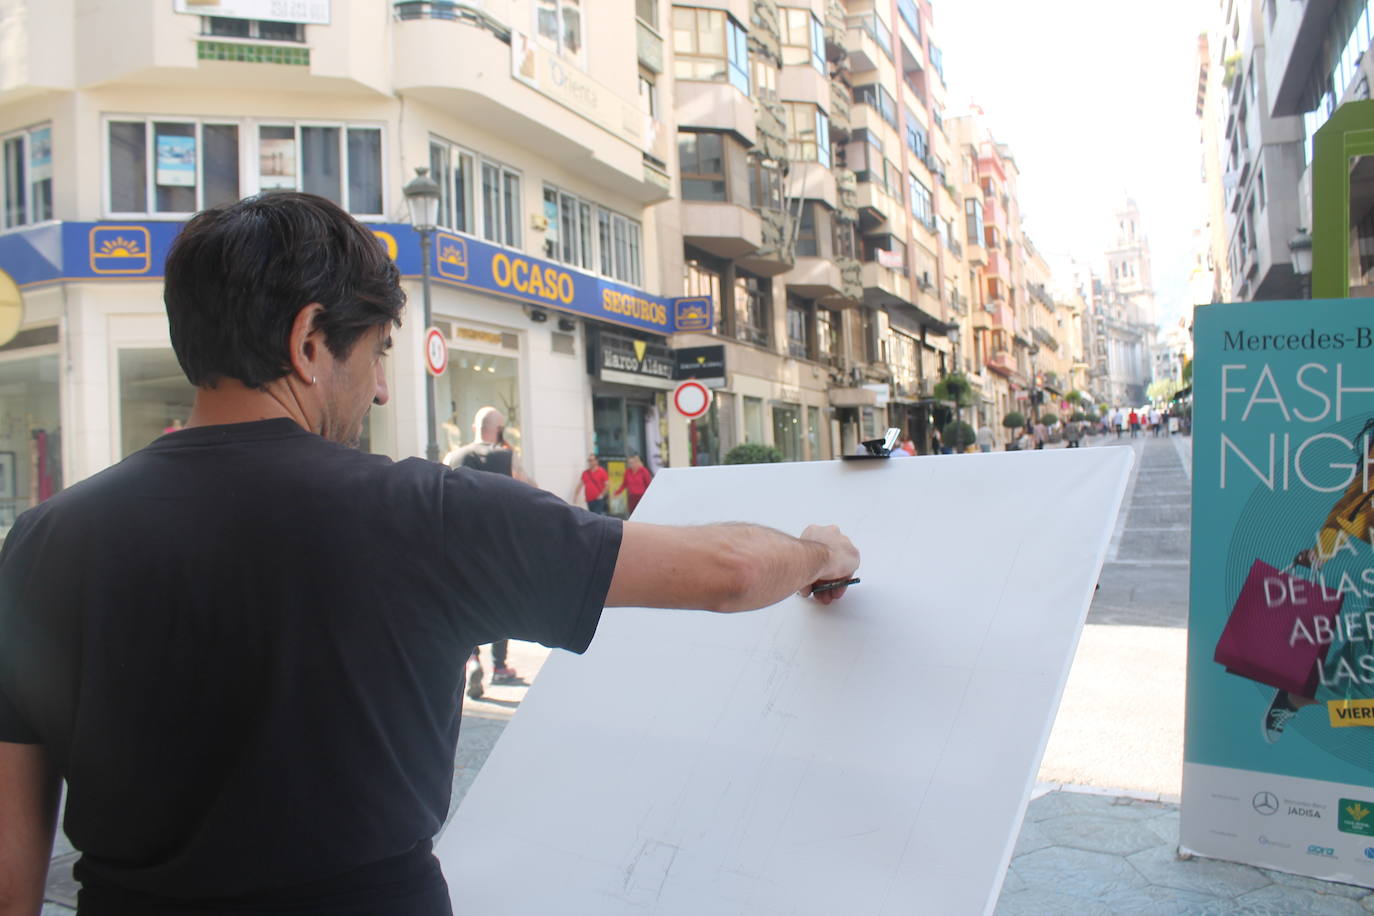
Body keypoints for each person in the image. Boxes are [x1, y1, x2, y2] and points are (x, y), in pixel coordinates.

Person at [0, 192, 861, 916]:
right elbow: (731, 570)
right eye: (377, 353)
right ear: (308, 343)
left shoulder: (41, 543)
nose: (379, 387)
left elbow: (11, 871)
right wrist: (818, 551)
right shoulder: (424, 515)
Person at [446, 406, 531, 696]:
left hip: (461, 547)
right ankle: (500, 666)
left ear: (474, 427)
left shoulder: (453, 457)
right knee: (499, 605)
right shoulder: (507, 456)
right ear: (499, 429)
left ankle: (470, 658)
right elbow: (532, 491)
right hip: (500, 546)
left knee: (466, 604)